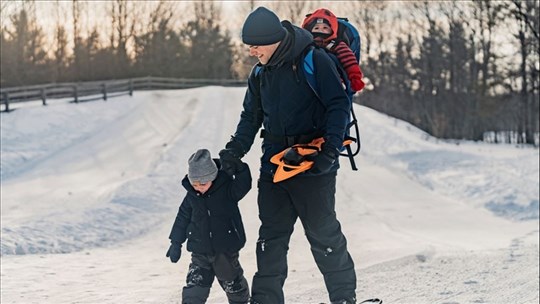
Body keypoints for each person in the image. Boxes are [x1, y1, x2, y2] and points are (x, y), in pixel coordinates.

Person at [218, 6, 357, 304]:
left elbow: (338, 105)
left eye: (256, 46)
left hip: (313, 161)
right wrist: (234, 151)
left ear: (273, 40)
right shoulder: (260, 73)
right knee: (270, 239)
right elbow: (250, 118)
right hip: (274, 164)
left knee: (323, 235)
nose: (252, 52)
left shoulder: (313, 60)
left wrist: (330, 151)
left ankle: (344, 298)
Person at [166, 148, 252, 304]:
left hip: (224, 249)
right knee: (195, 287)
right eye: (194, 184)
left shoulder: (227, 189)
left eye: (203, 183)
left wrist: (240, 167)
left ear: (212, 177)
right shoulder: (192, 196)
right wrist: (176, 242)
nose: (198, 187)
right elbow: (183, 217)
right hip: (200, 250)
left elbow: (244, 185)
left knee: (233, 285)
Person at [302, 8, 365, 93]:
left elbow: (349, 61)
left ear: (332, 30)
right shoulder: (305, 44)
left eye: (325, 28)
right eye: (316, 28)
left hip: (333, 79)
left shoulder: (336, 45)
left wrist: (355, 78)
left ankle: (338, 86)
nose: (321, 30)